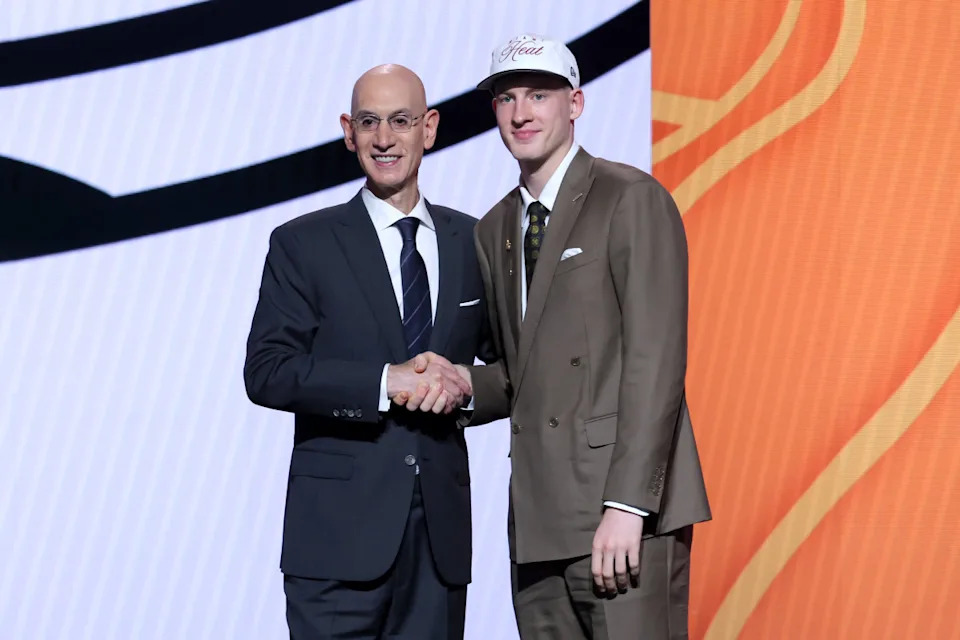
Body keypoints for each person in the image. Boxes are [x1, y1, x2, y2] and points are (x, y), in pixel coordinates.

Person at [400, 34, 711, 639]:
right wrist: (461, 385)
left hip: (622, 516)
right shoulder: (494, 228)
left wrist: (628, 506)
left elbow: (655, 361)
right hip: (539, 522)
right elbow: (521, 372)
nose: (522, 113)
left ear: (575, 103)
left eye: (539, 95)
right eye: (507, 98)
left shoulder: (630, 197)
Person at [243, 63, 491, 640]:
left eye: (401, 121)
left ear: (429, 128)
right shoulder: (303, 242)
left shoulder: (472, 241)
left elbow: (510, 369)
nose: (384, 138)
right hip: (335, 545)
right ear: (347, 132)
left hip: (438, 546)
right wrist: (384, 382)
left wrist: (464, 386)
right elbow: (268, 370)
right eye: (369, 122)